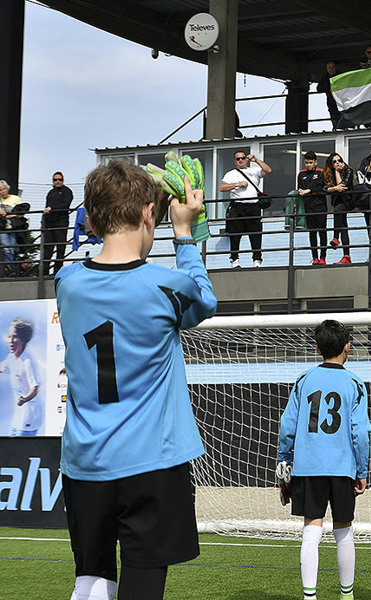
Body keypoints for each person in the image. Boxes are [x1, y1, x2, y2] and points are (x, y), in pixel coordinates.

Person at [56, 160, 217, 600]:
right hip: (152, 461)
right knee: (144, 581)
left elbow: (100, 260)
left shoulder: (67, 281)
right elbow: (203, 300)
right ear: (150, 213)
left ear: (90, 218)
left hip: (85, 462)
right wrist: (186, 232)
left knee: (91, 579)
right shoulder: (167, 287)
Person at [277, 320, 369, 600]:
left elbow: (287, 424)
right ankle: (346, 594)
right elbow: (361, 432)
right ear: (347, 347)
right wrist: (362, 469)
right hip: (342, 467)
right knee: (344, 530)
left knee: (311, 527)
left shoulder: (304, 379)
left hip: (308, 466)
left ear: (317, 348)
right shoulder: (355, 383)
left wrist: (283, 458)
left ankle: (309, 596)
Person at [219, 150, 272, 268]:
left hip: (253, 206)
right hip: (238, 206)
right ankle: (235, 260)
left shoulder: (254, 171)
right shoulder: (231, 173)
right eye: (238, 159)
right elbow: (222, 187)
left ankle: (257, 260)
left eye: (243, 158)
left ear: (246, 159)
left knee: (256, 234)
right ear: (235, 161)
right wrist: (237, 184)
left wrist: (256, 160)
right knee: (235, 234)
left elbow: (268, 170)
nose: (241, 160)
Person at [3, 318, 40, 436]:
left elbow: (35, 388)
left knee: (20, 451)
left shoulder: (28, 362)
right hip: (18, 417)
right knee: (9, 451)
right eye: (9, 337)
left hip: (29, 416)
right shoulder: (11, 358)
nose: (11, 341)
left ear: (23, 339)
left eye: (15, 337)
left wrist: (24, 399)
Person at [323, 153, 356, 265]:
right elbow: (325, 189)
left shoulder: (348, 171)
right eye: (334, 161)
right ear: (331, 164)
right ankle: (346, 256)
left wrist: (338, 173)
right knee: (343, 227)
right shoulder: (329, 174)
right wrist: (334, 188)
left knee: (337, 211)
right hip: (337, 202)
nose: (338, 163)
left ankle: (335, 237)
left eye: (339, 160)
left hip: (347, 201)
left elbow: (342, 186)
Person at [297, 151, 328, 265]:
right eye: (306, 163)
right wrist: (301, 191)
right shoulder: (301, 174)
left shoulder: (321, 172)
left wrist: (309, 190)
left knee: (322, 232)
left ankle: (323, 257)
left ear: (315, 162)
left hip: (320, 206)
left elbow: (321, 187)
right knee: (312, 233)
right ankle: (314, 258)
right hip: (308, 206)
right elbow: (299, 188)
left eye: (310, 162)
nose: (308, 165)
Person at [43, 171, 74, 276]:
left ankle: (57, 270)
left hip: (61, 222)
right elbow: (47, 206)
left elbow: (65, 205)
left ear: (63, 180)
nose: (57, 181)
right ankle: (44, 271)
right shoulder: (51, 193)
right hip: (49, 223)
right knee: (47, 248)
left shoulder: (67, 191)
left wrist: (52, 209)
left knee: (60, 247)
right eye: (55, 180)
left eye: (59, 179)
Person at [0, 180, 28, 276]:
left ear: (7, 189)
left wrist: (13, 215)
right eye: (0, 190)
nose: (2, 191)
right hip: (2, 228)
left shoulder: (15, 198)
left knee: (11, 249)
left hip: (13, 227)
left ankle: (10, 269)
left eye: (4, 189)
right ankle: (9, 267)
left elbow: (21, 212)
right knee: (6, 248)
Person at [318, 60, 342, 129]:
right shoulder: (325, 77)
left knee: (342, 120)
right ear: (327, 69)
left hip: (341, 102)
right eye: (329, 67)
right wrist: (328, 87)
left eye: (333, 67)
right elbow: (319, 88)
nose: (331, 69)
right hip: (331, 103)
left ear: (336, 67)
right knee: (334, 121)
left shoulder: (341, 76)